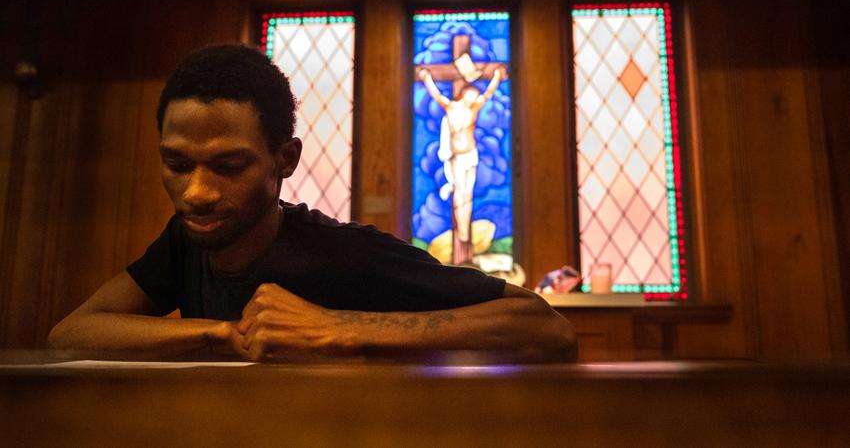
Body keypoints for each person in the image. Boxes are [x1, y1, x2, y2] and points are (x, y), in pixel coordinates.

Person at [48, 45, 576, 362]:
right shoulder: (186, 239)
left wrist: (337, 328)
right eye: (178, 164)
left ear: (286, 159)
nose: (196, 193)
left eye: (229, 166)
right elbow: (71, 333)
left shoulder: (347, 253)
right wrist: (222, 333)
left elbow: (543, 326)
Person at [418, 64, 504, 264]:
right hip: (457, 156)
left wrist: (497, 77)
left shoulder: (473, 110)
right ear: (465, 94)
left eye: (475, 96)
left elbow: (489, 94)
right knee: (459, 194)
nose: (475, 98)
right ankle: (463, 230)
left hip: (470, 154)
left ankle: (466, 228)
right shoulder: (451, 108)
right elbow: (436, 95)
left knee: (468, 193)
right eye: (472, 94)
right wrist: (426, 78)